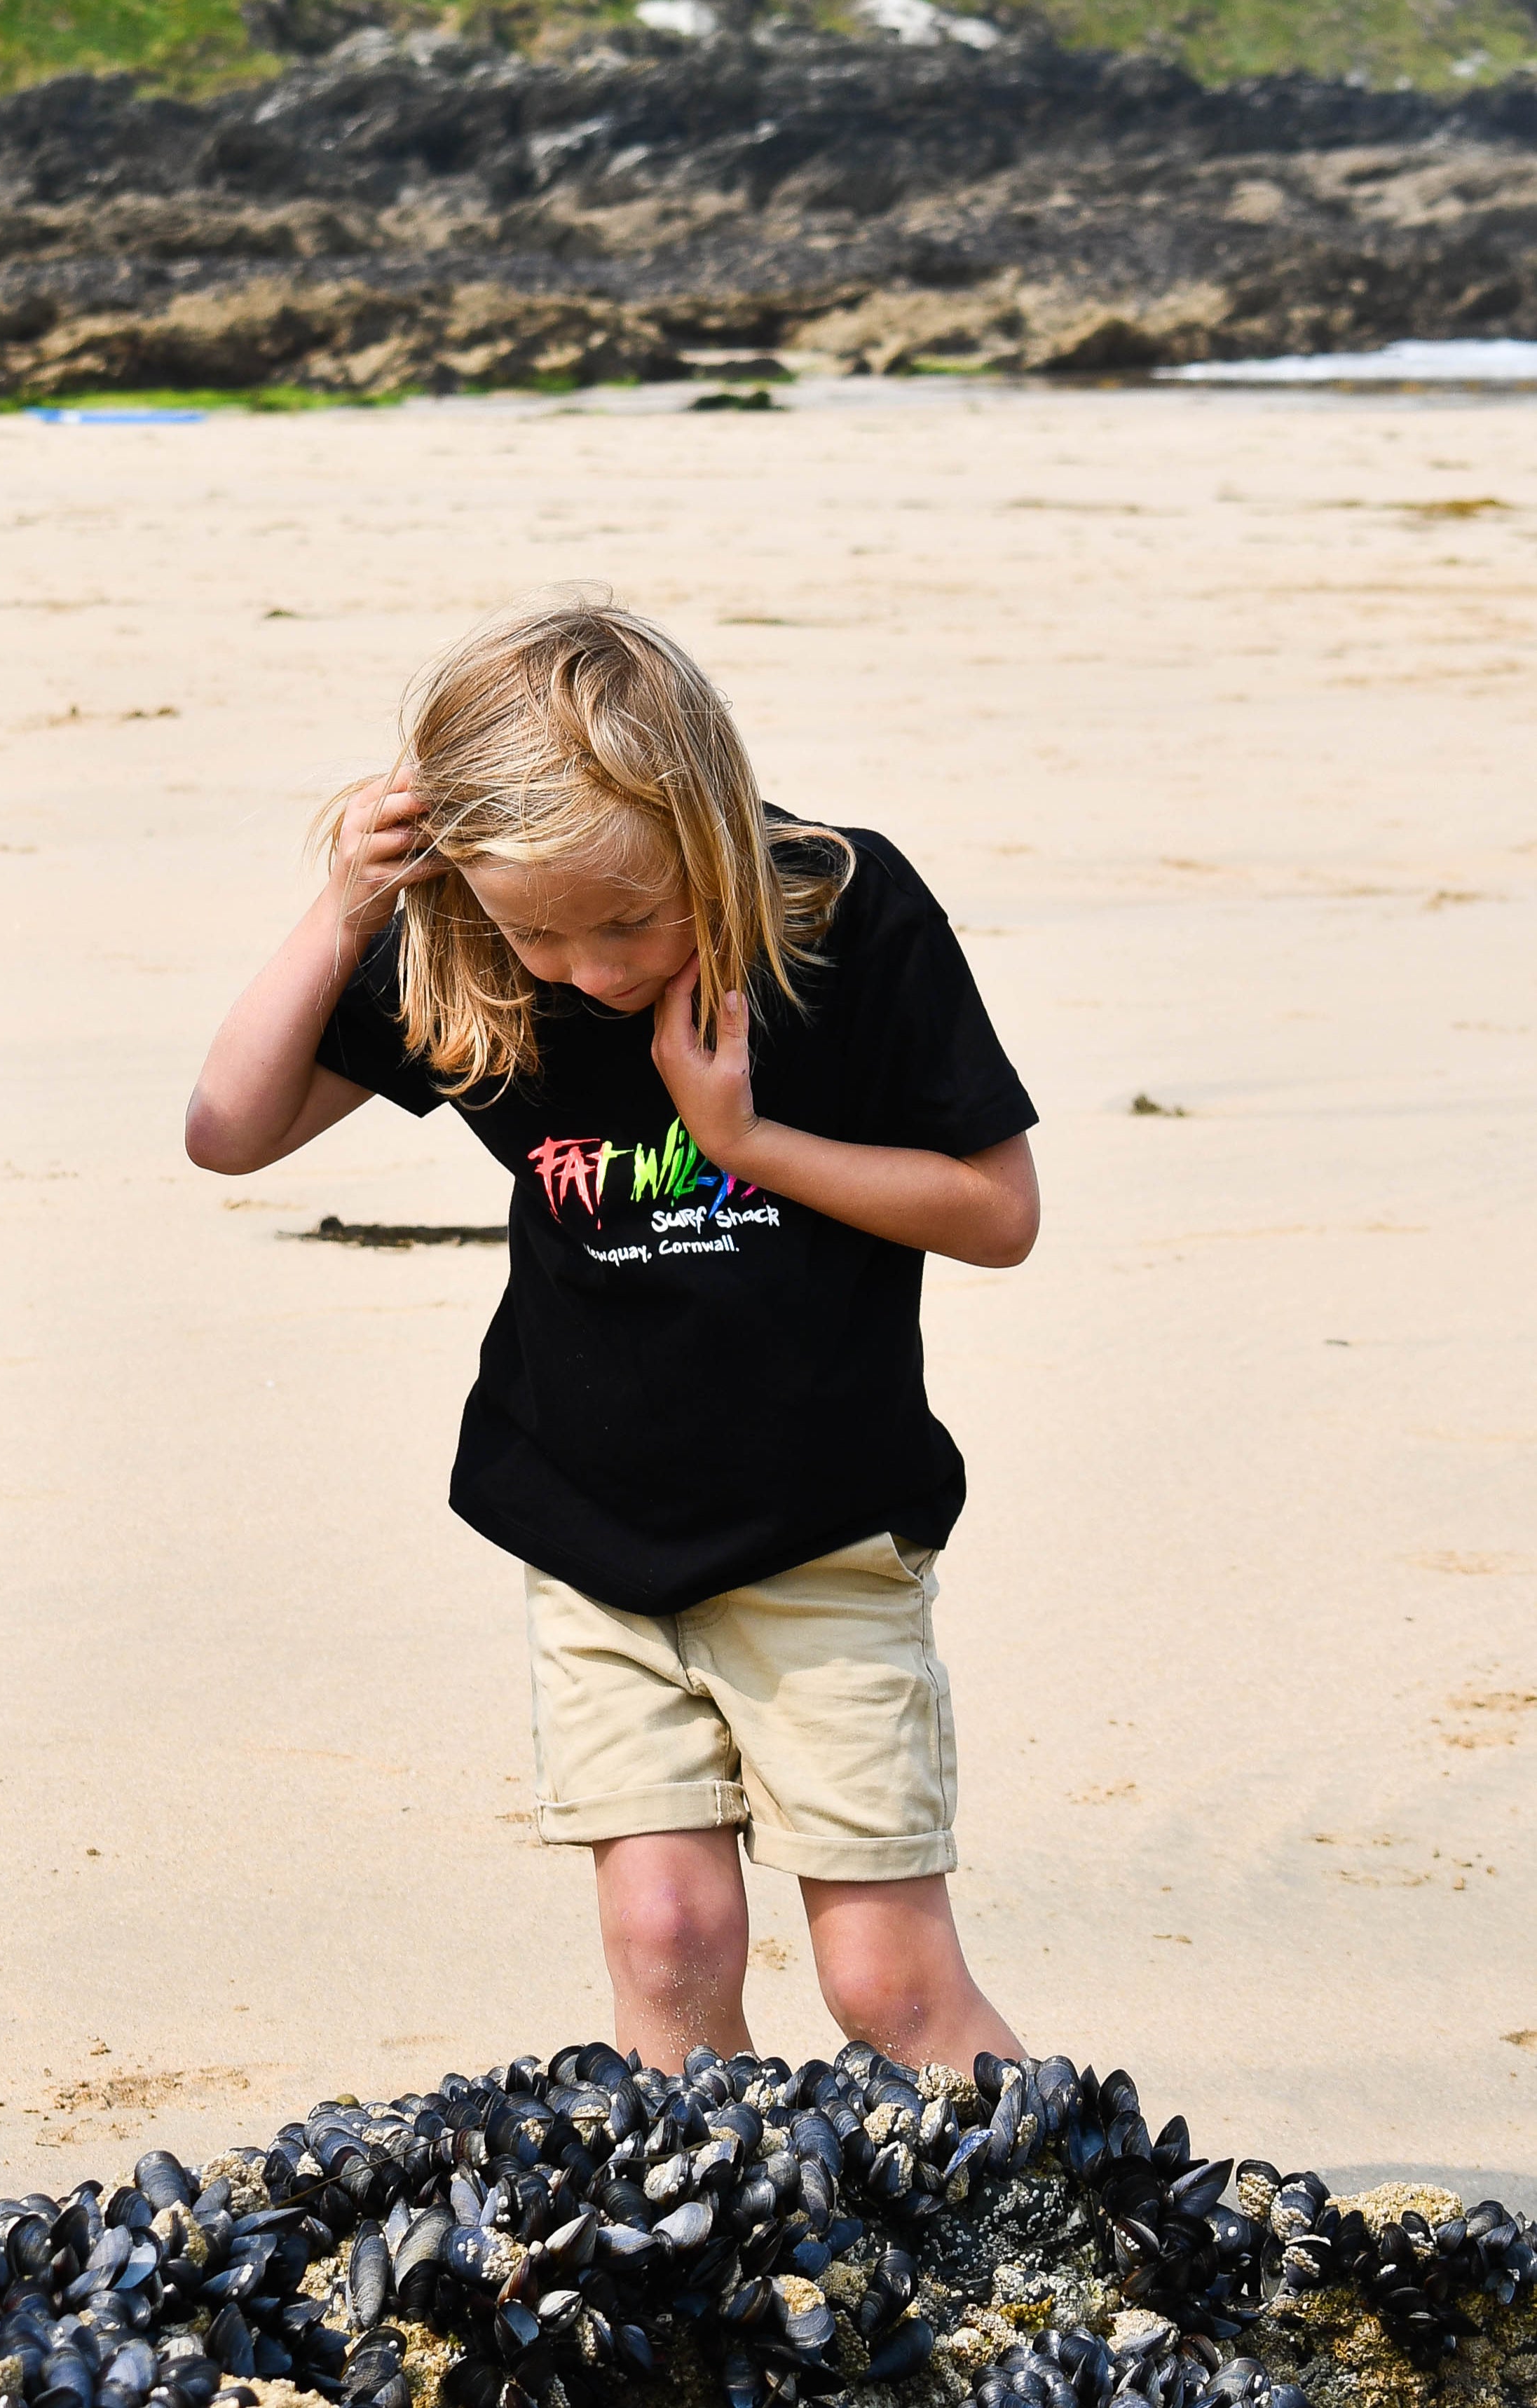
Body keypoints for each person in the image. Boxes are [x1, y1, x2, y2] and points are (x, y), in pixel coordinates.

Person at [186, 594, 1037, 2076]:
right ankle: (712, 2272)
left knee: (884, 1977)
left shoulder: (841, 912)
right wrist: (346, 909)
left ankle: (1060, 2234)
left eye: (630, 920)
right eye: (541, 929)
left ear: (705, 827)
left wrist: (748, 1139)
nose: (586, 967)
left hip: (821, 1535)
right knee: (665, 1938)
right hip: (590, 1535)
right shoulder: (466, 948)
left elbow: (993, 1209)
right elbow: (227, 1130)